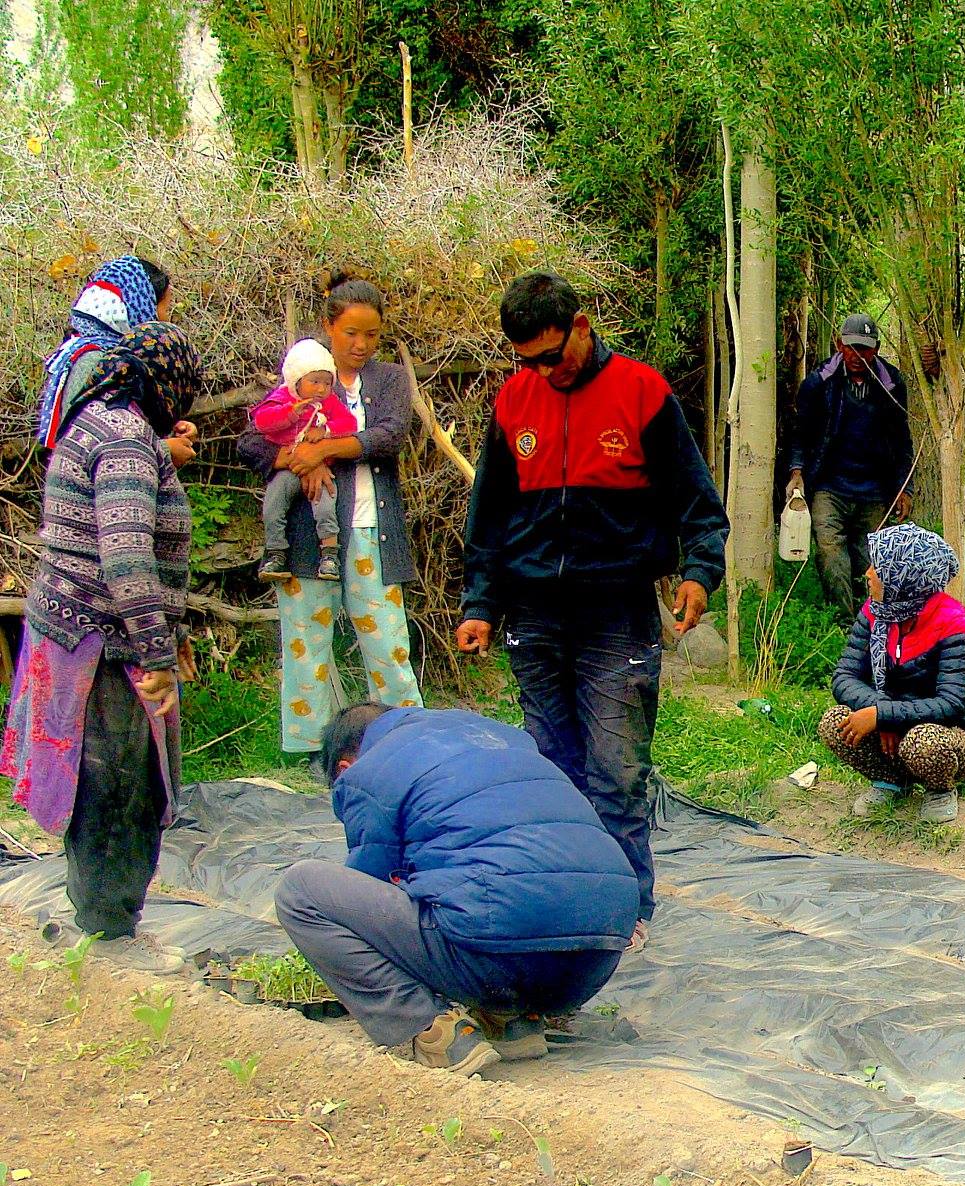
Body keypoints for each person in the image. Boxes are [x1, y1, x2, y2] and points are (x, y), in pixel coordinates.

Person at [458, 271, 728, 941]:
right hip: (534, 615)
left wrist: (700, 570)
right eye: (527, 361)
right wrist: (480, 605)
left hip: (617, 611)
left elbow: (697, 501)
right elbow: (489, 517)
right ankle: (565, 902)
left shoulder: (642, 393)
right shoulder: (512, 402)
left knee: (615, 771)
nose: (543, 372)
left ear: (582, 326)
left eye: (552, 355)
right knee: (552, 769)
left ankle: (626, 910)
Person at [274, 704, 639, 1076]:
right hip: (594, 962)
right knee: (482, 888)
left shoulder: (370, 770)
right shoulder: (504, 738)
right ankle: (512, 1020)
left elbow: (373, 885)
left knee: (300, 891)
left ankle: (432, 1030)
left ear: (344, 768)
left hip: (495, 954)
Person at [2, 322, 201, 972]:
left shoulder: (95, 420)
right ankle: (110, 937)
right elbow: (125, 559)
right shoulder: (124, 441)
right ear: (163, 384)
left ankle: (101, 921)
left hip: (77, 630)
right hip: (103, 644)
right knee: (119, 789)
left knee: (100, 786)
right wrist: (157, 653)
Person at [238, 275, 423, 759]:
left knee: (388, 645)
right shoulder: (302, 379)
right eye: (350, 334)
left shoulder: (388, 381)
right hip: (308, 536)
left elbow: (388, 435)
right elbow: (253, 441)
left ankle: (404, 742)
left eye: (372, 335)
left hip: (372, 530)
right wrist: (298, 459)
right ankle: (309, 750)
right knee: (306, 647)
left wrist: (323, 449)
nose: (361, 345)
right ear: (328, 327)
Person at [819, 524, 965, 823]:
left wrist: (882, 715)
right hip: (888, 728)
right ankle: (890, 781)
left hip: (946, 733)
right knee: (834, 722)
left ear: (902, 575)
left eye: (876, 568)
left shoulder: (953, 622)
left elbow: (952, 703)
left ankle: (940, 789)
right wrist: (878, 712)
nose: (867, 573)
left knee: (926, 741)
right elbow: (844, 677)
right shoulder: (875, 611)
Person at [787, 312, 915, 619]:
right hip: (829, 487)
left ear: (878, 348)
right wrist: (797, 472)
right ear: (839, 344)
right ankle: (843, 623)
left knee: (869, 563)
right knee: (832, 555)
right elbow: (800, 433)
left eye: (865, 349)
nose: (857, 356)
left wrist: (904, 489)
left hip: (875, 490)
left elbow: (901, 442)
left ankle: (869, 624)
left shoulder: (892, 384)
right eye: (851, 347)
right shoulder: (819, 383)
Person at [36, 256, 184, 455]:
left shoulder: (121, 359)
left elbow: (123, 422)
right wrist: (164, 450)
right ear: (139, 308)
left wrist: (170, 431)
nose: (167, 319)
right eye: (164, 309)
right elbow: (84, 444)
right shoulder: (93, 361)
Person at [254, 338, 357, 583]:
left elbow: (349, 424)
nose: (321, 389)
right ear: (297, 381)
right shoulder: (282, 398)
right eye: (314, 382)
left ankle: (330, 556)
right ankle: (275, 553)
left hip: (320, 469)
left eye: (326, 382)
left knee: (324, 505)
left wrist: (326, 431)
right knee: (274, 502)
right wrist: (290, 415)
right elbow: (261, 422)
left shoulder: (329, 403)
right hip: (289, 467)